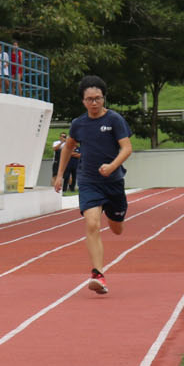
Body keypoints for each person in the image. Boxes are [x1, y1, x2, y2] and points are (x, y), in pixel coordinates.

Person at [52, 76, 132, 295]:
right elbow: (68, 147)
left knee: (116, 228)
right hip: (89, 181)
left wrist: (112, 165)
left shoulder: (115, 119)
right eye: (89, 99)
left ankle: (114, 214)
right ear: (83, 101)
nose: (94, 103)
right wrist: (60, 175)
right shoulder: (79, 124)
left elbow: (126, 148)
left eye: (98, 98)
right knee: (93, 225)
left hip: (113, 182)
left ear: (104, 98)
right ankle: (98, 274)